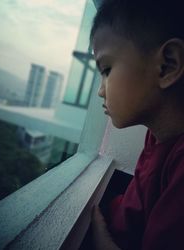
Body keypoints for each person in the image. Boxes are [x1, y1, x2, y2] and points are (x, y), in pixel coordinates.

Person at [90, 0, 184, 250]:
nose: (100, 92)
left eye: (107, 69)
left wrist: (102, 241)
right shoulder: (157, 138)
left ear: (167, 66)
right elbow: (131, 214)